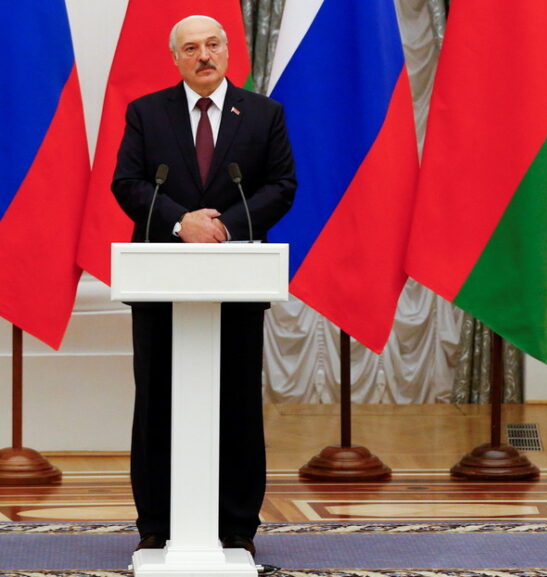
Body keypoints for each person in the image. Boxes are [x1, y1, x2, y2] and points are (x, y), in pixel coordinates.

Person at [112, 14, 296, 556]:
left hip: (235, 280)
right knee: (157, 402)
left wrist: (221, 230)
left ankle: (237, 525)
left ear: (228, 51)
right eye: (191, 48)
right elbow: (128, 183)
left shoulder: (264, 114)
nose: (204, 55)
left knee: (236, 400)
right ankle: (156, 524)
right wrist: (180, 223)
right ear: (176, 58)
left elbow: (282, 186)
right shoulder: (147, 113)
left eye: (213, 44)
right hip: (161, 283)